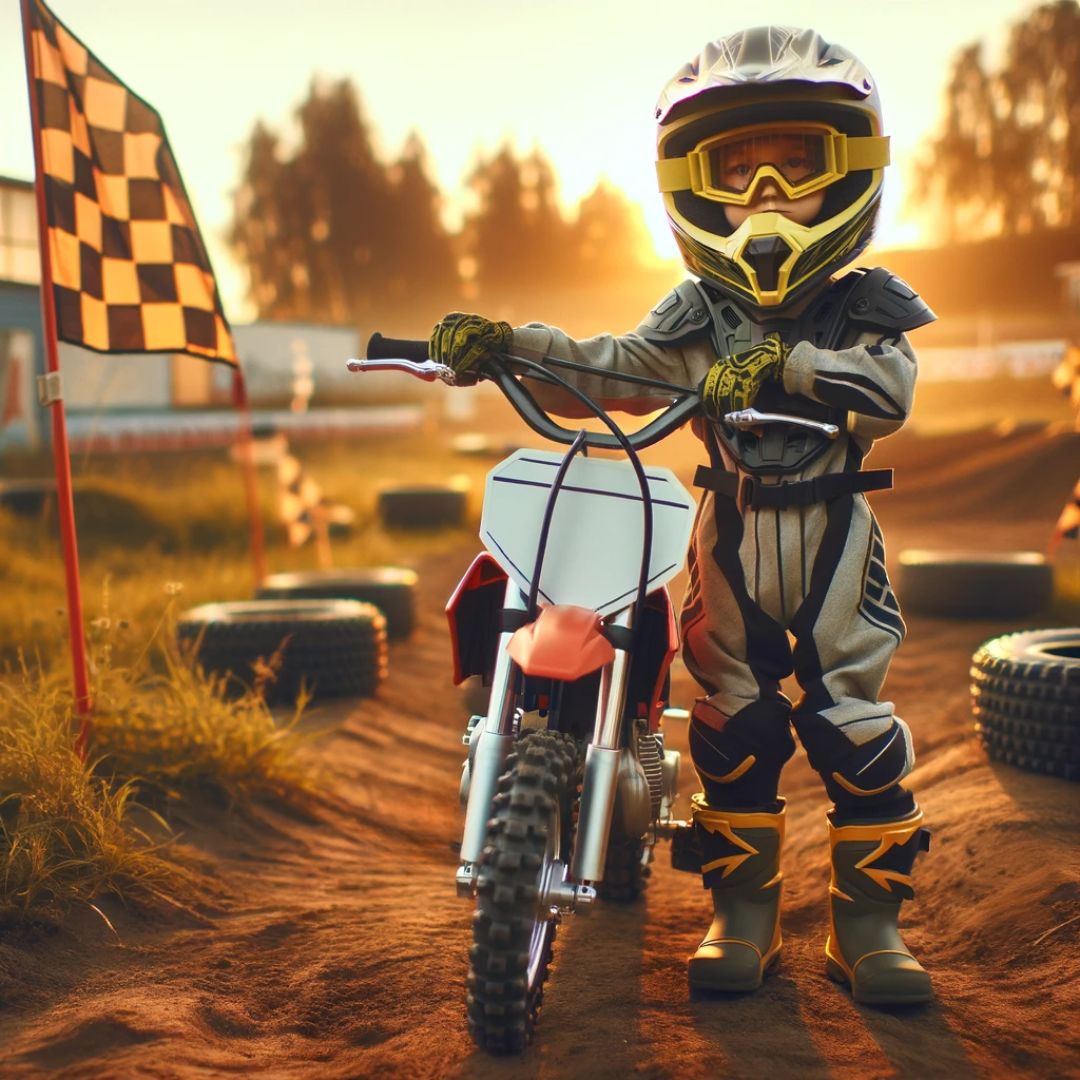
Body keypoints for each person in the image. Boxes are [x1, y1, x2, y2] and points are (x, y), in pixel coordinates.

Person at [429, 26, 934, 1006]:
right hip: (730, 533)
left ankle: (868, 929)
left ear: (852, 167)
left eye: (795, 165)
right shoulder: (698, 316)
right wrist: (510, 347)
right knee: (729, 729)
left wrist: (786, 368)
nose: (766, 198)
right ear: (693, 184)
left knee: (855, 729)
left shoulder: (866, 304)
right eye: (738, 172)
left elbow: (890, 394)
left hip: (834, 534)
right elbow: (610, 369)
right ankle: (739, 917)